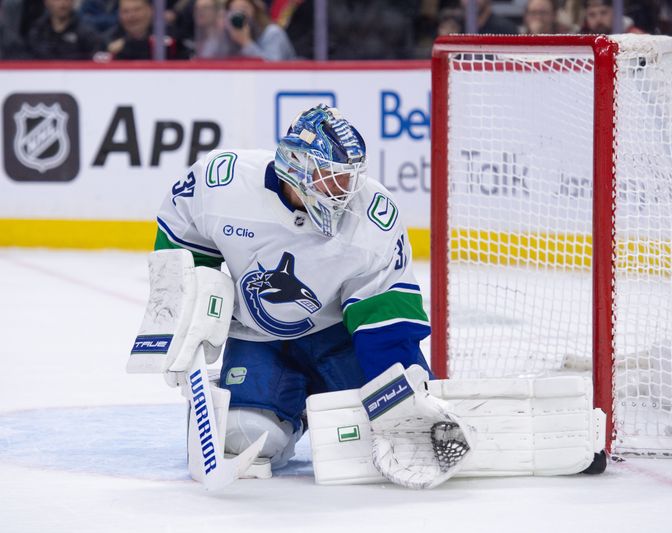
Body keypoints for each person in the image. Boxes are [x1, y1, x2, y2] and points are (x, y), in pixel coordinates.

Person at [153, 104, 432, 469]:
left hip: (340, 339)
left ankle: (306, 396)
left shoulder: (372, 215)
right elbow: (181, 247)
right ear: (296, 164)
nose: (343, 190)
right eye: (330, 176)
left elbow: (384, 314)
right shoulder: (222, 182)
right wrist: (178, 322)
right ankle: (286, 408)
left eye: (348, 178)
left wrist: (402, 397)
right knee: (246, 437)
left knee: (378, 438)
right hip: (257, 338)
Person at [99, 0, 185, 60]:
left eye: (137, 10)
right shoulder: (108, 40)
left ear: (150, 10)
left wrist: (127, 44)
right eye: (125, 11)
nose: (131, 16)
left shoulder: (170, 34)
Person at [26, 0, 102, 59]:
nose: (62, 4)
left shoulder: (87, 32)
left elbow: (96, 61)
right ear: (46, 2)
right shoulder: (37, 30)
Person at [223, 0, 296, 60]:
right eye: (233, 10)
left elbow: (273, 66)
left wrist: (246, 43)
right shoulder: (228, 32)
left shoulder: (272, 33)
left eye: (243, 9)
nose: (239, 14)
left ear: (255, 10)